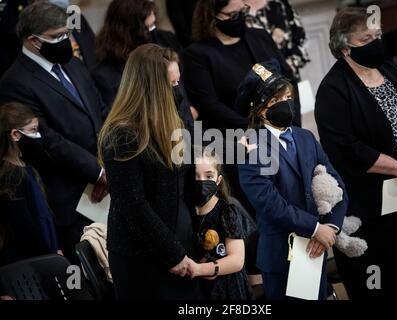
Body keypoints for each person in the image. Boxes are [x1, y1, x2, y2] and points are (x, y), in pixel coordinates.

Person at [314, 7, 397, 299]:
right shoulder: (333, 90)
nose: (377, 43)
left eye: (378, 35)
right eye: (367, 38)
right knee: (388, 285)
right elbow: (346, 149)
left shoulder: (389, 69)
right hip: (375, 212)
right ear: (345, 47)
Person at [0, 2, 108, 263]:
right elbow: (48, 141)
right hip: (71, 196)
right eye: (58, 36)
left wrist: (109, 162)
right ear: (34, 41)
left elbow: (100, 109)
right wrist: (97, 171)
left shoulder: (70, 63)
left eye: (67, 34)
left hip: (106, 182)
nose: (66, 41)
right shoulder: (15, 83)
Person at [98, 43, 201, 300]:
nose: (178, 92)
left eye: (179, 83)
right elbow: (132, 203)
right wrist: (172, 253)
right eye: (171, 85)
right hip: (143, 255)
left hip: (181, 237)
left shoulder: (175, 117)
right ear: (152, 89)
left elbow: (187, 178)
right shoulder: (122, 133)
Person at [238, 60, 348, 299]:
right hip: (282, 253)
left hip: (316, 248)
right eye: (276, 101)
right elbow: (269, 203)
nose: (286, 104)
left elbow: (335, 183)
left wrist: (330, 226)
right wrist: (315, 228)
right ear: (259, 110)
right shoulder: (250, 147)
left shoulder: (305, 137)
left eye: (287, 96)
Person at [184, 0, 299, 131]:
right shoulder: (197, 55)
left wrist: (293, 121)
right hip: (239, 137)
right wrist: (258, 128)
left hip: (284, 127)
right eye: (232, 15)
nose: (239, 17)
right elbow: (210, 106)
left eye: (242, 11)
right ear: (211, 15)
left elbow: (289, 79)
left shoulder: (260, 36)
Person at [92, 0, 190, 112]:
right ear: (127, 32)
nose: (153, 34)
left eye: (154, 25)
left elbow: (184, 84)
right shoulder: (106, 76)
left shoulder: (165, 41)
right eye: (147, 28)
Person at [187, 149, 253, 300]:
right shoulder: (187, 212)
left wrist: (201, 269)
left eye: (208, 176)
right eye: (196, 176)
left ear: (218, 180)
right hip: (198, 290)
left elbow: (237, 260)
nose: (202, 181)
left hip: (228, 289)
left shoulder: (226, 211)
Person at [0, 102, 60, 266]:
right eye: (33, 130)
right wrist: (50, 254)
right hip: (32, 262)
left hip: (48, 254)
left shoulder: (25, 166)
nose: (38, 135)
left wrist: (56, 247)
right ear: (15, 134)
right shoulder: (11, 177)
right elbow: (25, 229)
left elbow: (44, 216)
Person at [246, 0, 310, 82]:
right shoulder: (236, 11)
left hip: (289, 80)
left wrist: (290, 64)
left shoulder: (279, 3)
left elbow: (301, 39)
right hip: (259, 83)